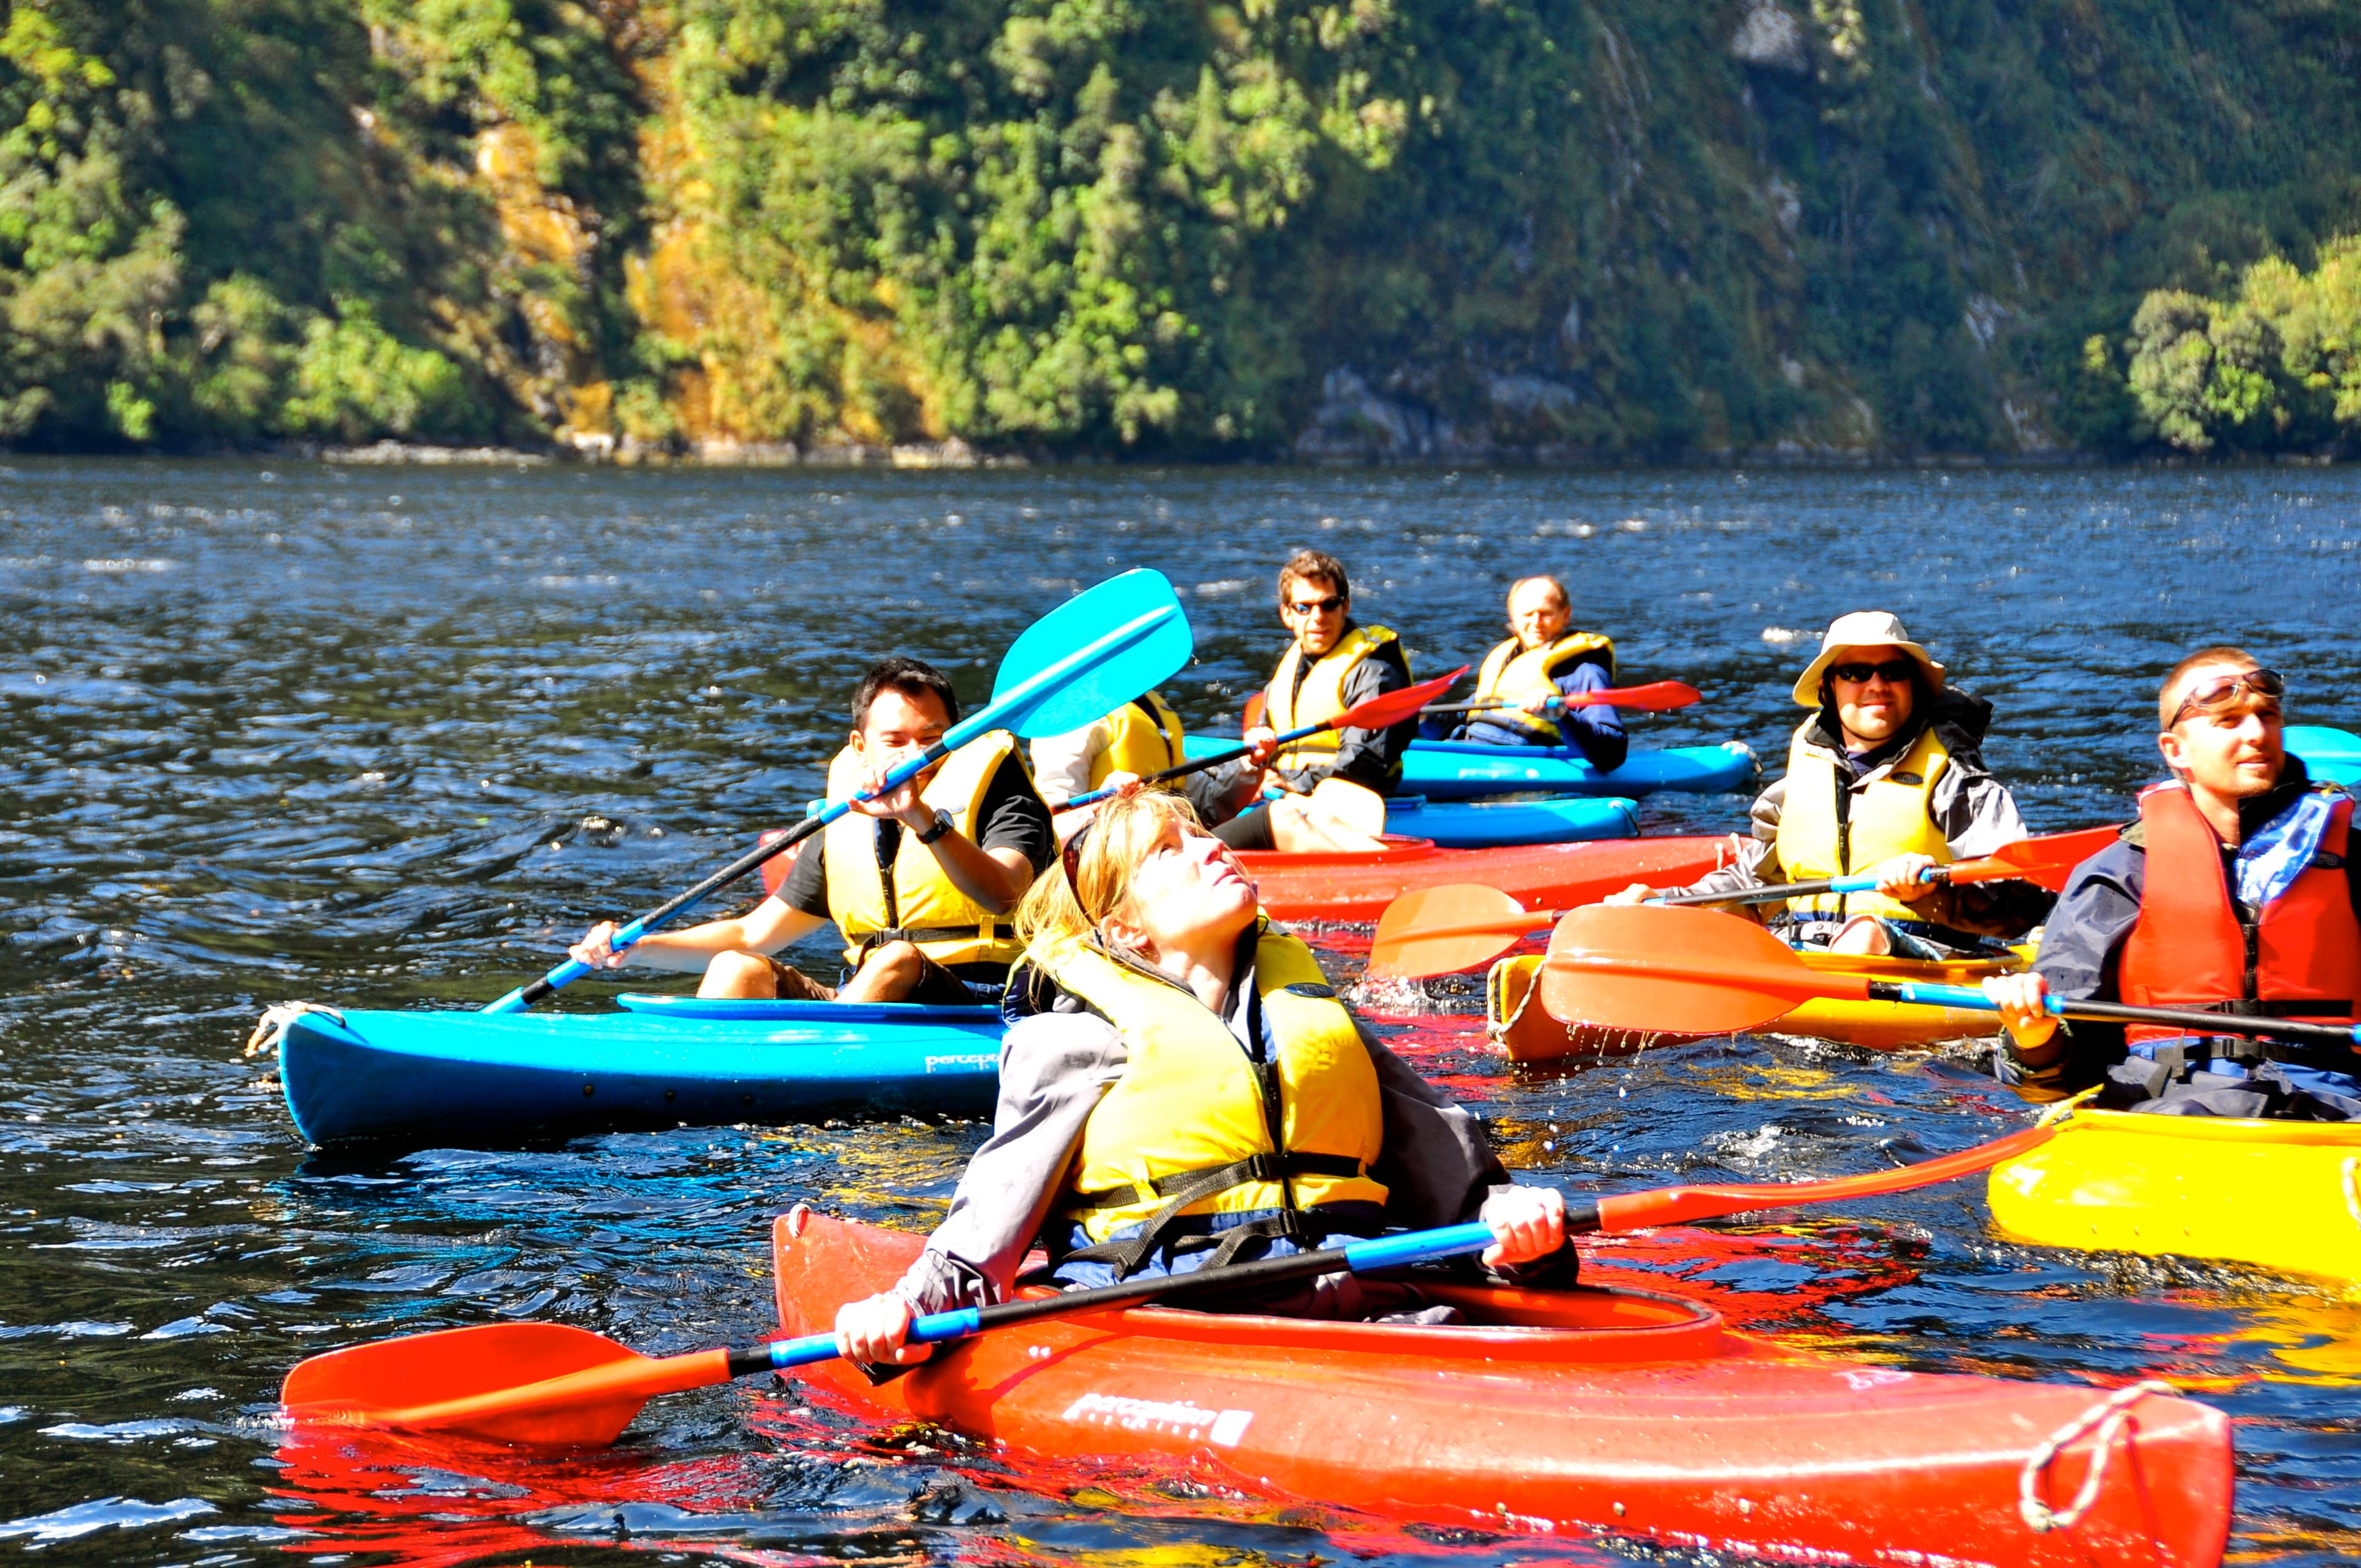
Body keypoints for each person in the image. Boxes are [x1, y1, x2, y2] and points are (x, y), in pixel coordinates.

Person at [830, 788, 1577, 1366]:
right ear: (1125, 927)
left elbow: (1460, 1186)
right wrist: (907, 1313)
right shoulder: (1076, 1039)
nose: (1212, 845)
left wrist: (1520, 1230)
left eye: (1202, 831)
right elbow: (990, 1221)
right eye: (1168, 848)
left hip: (1352, 1298)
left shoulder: (1315, 1019)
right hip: (1168, 1317)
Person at [1986, 649, 2360, 1119]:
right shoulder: (2118, 875)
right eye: (2228, 721)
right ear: (2174, 750)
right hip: (2166, 1109)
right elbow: (2060, 1075)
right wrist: (2033, 1038)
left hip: (2337, 1109)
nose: (2257, 733)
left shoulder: (2351, 862)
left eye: (2267, 716)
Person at [568, 657, 1053, 1005]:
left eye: (931, 739)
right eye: (895, 741)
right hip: (863, 996)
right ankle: (693, 1091)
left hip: (982, 999)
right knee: (737, 966)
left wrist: (921, 817)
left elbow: (1005, 894)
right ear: (860, 746)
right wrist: (636, 949)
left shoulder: (1000, 786)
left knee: (896, 958)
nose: (914, 756)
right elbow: (752, 932)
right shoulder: (846, 814)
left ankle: (821, 1073)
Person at [1607, 611, 2046, 957]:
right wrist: (1665, 902)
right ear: (1828, 688)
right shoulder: (1802, 775)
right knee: (1657, 923)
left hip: (1923, 957)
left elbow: (2019, 900)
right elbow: (1754, 884)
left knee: (1863, 933)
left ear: (1913, 685)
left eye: (1893, 671)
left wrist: (1932, 893)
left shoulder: (1958, 779)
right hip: (1804, 953)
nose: (1877, 685)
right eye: (1857, 672)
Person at [1206, 550, 1413, 854]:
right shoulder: (1289, 671)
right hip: (1288, 796)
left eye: (1328, 605)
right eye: (1305, 607)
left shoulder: (1374, 669)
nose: (1318, 617)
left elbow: (1365, 761)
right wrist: (1253, 777)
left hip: (1353, 799)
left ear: (1345, 606)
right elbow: (1264, 742)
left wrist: (1291, 782)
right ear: (1287, 614)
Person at [1429, 576, 1627, 769]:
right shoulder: (1506, 660)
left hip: (1527, 761)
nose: (1536, 622)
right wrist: (1419, 715)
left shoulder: (1585, 672)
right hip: (1470, 752)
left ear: (1566, 615)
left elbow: (1613, 751)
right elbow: (1457, 724)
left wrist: (1561, 715)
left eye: (1546, 613)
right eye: (1527, 614)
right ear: (1513, 618)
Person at [1030, 690, 1200, 846]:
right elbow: (1052, 830)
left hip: (1174, 825)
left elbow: (1190, 782)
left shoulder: (1141, 696)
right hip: (1117, 850)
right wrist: (1098, 806)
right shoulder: (1067, 718)